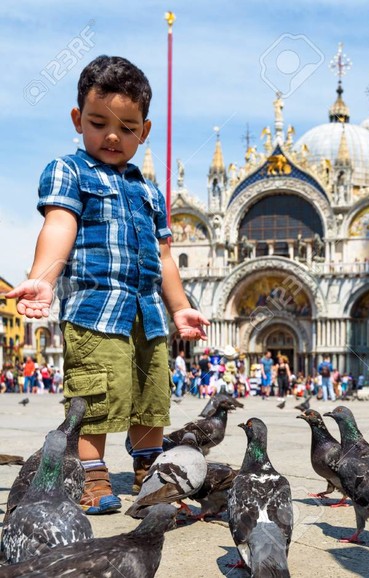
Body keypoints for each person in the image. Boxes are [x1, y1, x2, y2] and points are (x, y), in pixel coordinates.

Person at [5, 56, 209, 514]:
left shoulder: (150, 192)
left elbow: (163, 258)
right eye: (99, 123)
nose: (113, 136)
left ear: (146, 130)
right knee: (94, 392)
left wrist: (178, 308)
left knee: (152, 392)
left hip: (147, 314)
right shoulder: (68, 171)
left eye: (128, 128)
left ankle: (150, 466)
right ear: (78, 119)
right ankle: (90, 472)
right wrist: (42, 279)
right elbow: (60, 226)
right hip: (95, 309)